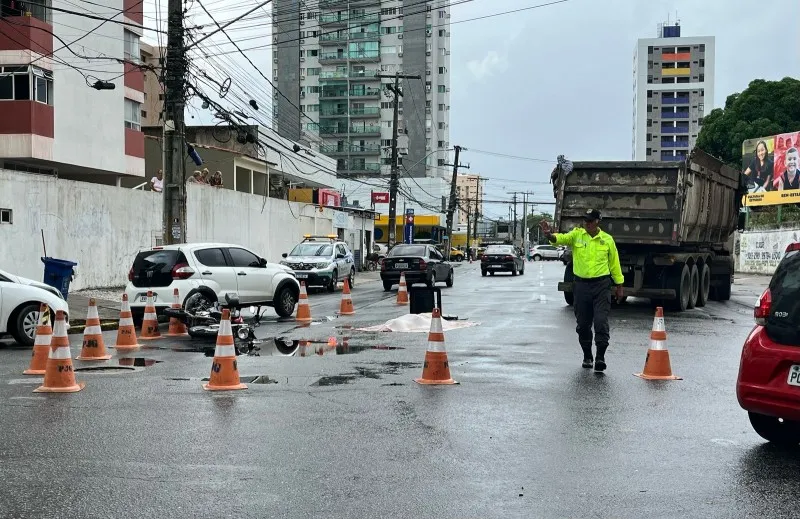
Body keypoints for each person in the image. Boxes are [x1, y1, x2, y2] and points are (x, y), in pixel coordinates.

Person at [539, 209, 624, 372]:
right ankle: (587, 355)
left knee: (600, 322)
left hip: (601, 286)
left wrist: (619, 286)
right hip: (581, 286)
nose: (587, 223)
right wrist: (549, 234)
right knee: (583, 325)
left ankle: (600, 357)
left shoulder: (607, 240)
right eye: (585, 221)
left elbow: (614, 264)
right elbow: (559, 239)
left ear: (598, 222)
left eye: (591, 221)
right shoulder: (577, 235)